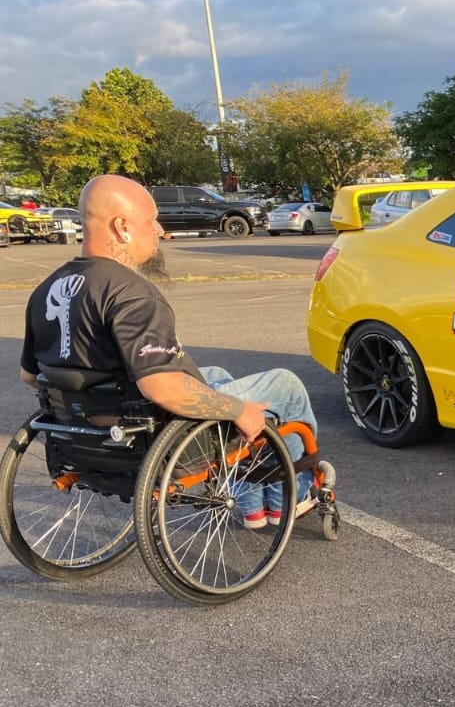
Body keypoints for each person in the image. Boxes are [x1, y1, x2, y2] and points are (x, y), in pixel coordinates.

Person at [18, 174, 320, 529]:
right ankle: (292, 497)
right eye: (151, 220)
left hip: (85, 438)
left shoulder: (46, 290)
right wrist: (238, 410)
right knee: (285, 385)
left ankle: (253, 503)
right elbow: (160, 387)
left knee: (216, 375)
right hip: (149, 435)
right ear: (122, 227)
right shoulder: (130, 294)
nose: (160, 230)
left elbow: (31, 375)